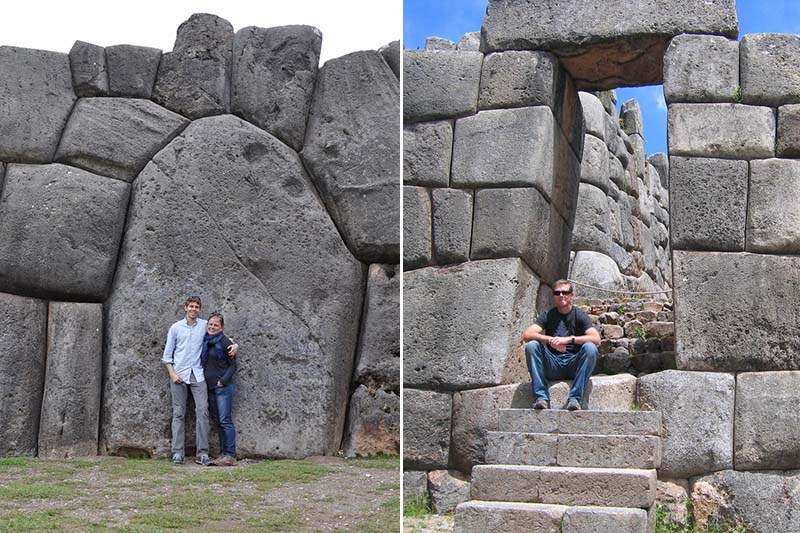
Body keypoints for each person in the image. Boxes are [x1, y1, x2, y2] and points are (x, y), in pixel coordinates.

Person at [162, 296, 238, 466]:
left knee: (203, 412)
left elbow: (219, 334)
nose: (193, 309)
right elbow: (167, 356)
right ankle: (177, 453)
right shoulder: (175, 328)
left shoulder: (204, 325)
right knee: (179, 414)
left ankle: (202, 453)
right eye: (191, 306)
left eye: (196, 307)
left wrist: (234, 344)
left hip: (198, 375)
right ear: (185, 308)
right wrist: (173, 374)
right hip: (179, 375)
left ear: (199, 309)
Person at [522, 279, 600, 411]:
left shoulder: (580, 315)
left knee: (590, 348)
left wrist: (569, 340)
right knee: (532, 346)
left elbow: (596, 339)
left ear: (571, 295)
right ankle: (541, 397)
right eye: (557, 293)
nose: (561, 295)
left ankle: (575, 399)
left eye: (565, 292)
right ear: (554, 296)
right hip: (553, 364)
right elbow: (527, 334)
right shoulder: (548, 315)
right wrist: (551, 340)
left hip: (574, 364)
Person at [202, 312, 238, 466]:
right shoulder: (205, 341)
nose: (212, 327)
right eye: (210, 324)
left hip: (223, 388)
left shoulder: (225, 343)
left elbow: (233, 366)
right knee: (218, 421)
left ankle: (230, 454)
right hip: (209, 388)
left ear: (221, 327)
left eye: (216, 325)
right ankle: (223, 454)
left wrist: (222, 381)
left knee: (225, 421)